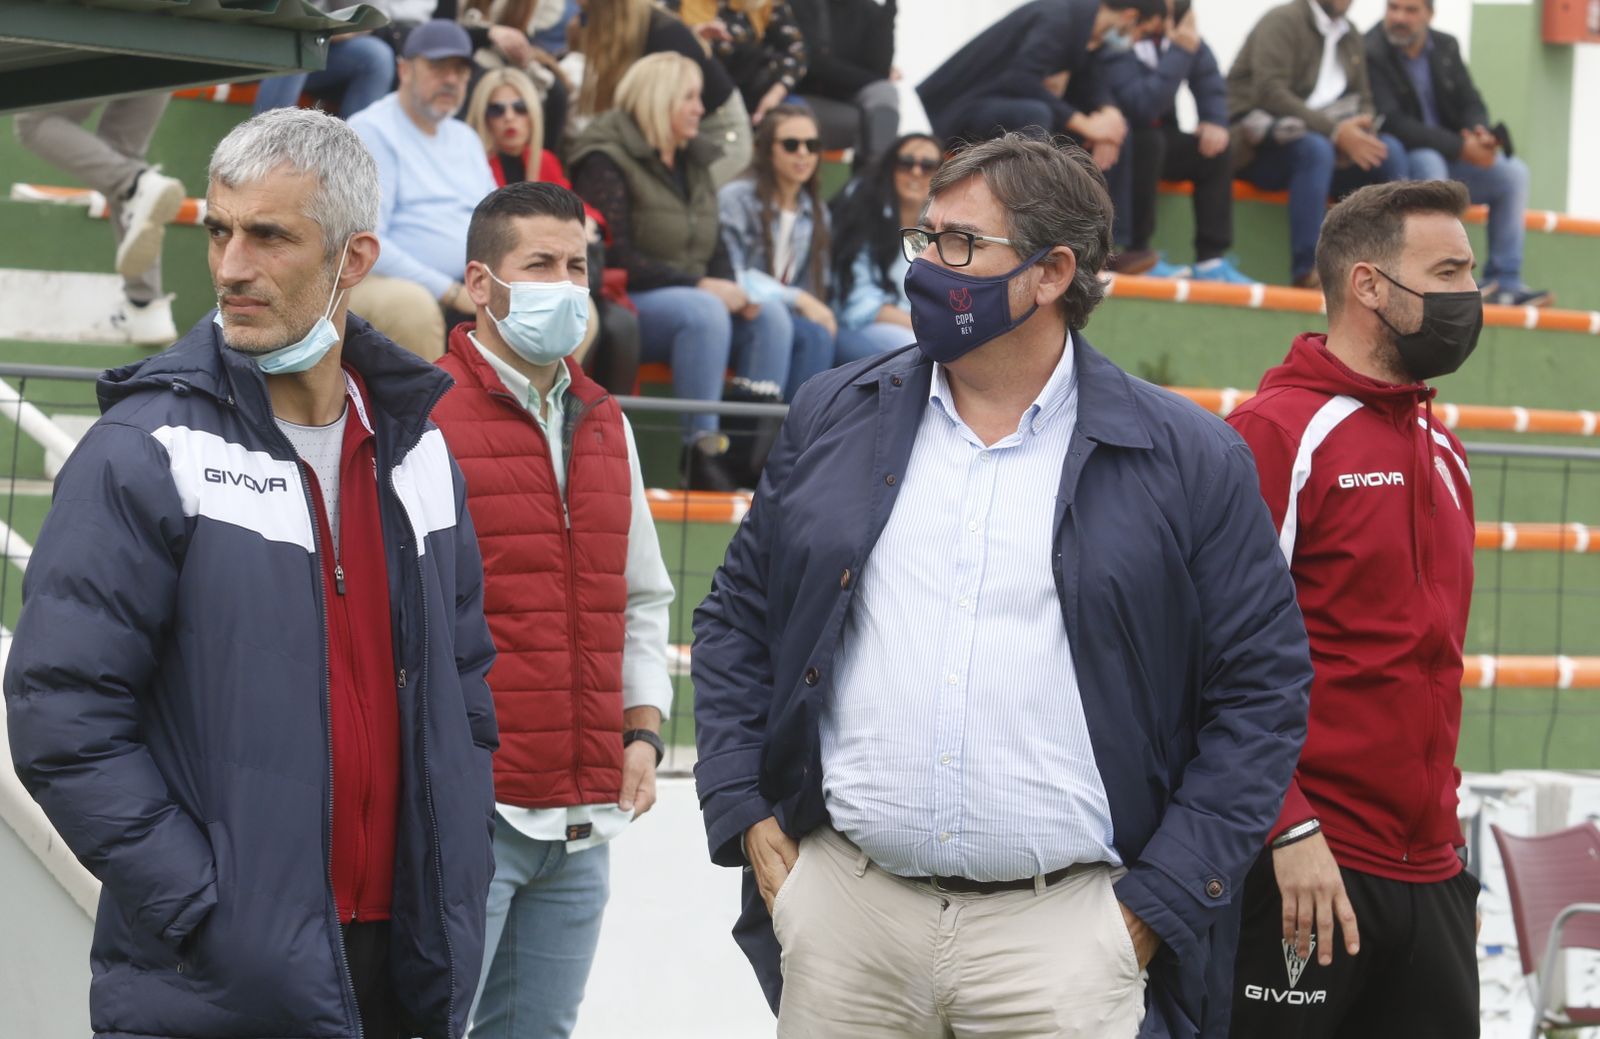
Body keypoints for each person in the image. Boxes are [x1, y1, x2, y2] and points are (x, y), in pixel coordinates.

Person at [692, 132, 1313, 1037]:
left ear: (1052, 271)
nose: (927, 268)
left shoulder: (1191, 458)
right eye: (926, 238)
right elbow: (734, 622)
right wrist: (746, 810)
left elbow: (1263, 691)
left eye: (959, 244)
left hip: (1068, 939)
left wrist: (1152, 911)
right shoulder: (834, 412)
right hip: (848, 922)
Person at [3, 107, 498, 1039]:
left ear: (354, 258)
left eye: (269, 236)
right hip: (218, 977)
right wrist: (202, 906)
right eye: (218, 232)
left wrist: (459, 855)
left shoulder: (418, 451)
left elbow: (467, 680)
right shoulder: (144, 448)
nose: (231, 268)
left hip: (410, 966)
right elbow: (60, 714)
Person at [1225, 179, 1481, 1038]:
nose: (1469, 297)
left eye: (1471, 273)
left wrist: (1453, 868)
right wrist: (1286, 828)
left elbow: (1431, 670)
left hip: (1430, 875)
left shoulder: (1445, 449)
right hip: (1303, 864)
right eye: (1446, 272)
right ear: (1369, 285)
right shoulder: (1275, 434)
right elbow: (1212, 652)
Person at [432, 181, 675, 1039]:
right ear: (480, 283)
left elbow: (643, 594)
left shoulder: (607, 418)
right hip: (468, 820)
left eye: (577, 266)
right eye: (539, 263)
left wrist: (642, 727)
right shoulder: (420, 420)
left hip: (582, 827)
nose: (565, 285)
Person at [570, 52, 793, 491]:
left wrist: (730, 286)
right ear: (660, 98)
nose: (700, 108)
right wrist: (702, 285)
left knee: (772, 318)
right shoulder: (605, 158)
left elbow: (714, 245)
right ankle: (701, 453)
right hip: (630, 299)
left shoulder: (694, 160)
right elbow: (616, 259)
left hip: (693, 294)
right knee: (704, 310)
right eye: (690, 97)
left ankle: (749, 458)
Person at [466, 67, 641, 393]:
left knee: (622, 325)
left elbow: (575, 205)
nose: (510, 118)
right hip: (505, 274)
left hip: (555, 270)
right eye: (497, 109)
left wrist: (587, 223)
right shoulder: (474, 162)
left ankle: (593, 408)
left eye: (520, 108)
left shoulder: (543, 160)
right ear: (483, 116)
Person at [1366, 0, 1549, 307]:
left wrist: (1479, 132)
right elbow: (1394, 122)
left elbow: (1471, 102)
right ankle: (1449, 277)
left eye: (1410, 10)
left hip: (1454, 155)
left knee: (1513, 173)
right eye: (1393, 8)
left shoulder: (1445, 45)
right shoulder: (1371, 49)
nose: (1399, 17)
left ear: (1429, 14)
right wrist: (1462, 147)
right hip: (1408, 160)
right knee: (1430, 162)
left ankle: (1506, 282)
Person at [1227, 0, 1411, 288]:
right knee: (1315, 149)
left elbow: (1363, 97)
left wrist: (1362, 128)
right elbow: (1270, 92)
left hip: (1328, 145)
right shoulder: (1283, 20)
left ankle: (1390, 269)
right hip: (1264, 144)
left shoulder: (1350, 34)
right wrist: (1336, 132)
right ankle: (1308, 271)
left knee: (1389, 151)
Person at [347, 19, 499, 360]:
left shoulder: (465, 137)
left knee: (554, 301)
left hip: (467, 284)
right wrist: (449, 290)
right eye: (438, 67)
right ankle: (433, 416)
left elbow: (497, 221)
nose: (451, 79)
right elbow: (366, 240)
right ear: (404, 70)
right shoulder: (371, 130)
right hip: (381, 282)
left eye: (460, 70)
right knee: (412, 305)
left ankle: (526, 414)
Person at [1100, 0, 1256, 283]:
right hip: (1118, 138)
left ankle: (1211, 261)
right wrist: (1180, 52)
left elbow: (1209, 80)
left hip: (1159, 138)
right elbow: (1140, 107)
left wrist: (1214, 120)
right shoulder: (1119, 35)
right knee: (1149, 141)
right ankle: (1137, 251)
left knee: (1214, 151)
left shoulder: (1181, 40)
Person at [13, 95, 185, 344]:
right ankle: (145, 307)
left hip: (128, 56)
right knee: (119, 156)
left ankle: (135, 184)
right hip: (176, 64)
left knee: (34, 122)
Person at [915, 0, 1161, 158]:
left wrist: (1110, 115)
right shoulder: (1058, 18)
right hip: (960, 107)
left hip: (994, 106)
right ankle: (1031, 212)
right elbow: (1020, 79)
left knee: (1116, 134)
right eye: (1143, 32)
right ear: (1130, 16)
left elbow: (1092, 79)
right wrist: (1085, 124)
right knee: (1036, 114)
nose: (1137, 41)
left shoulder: (1086, 29)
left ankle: (1115, 236)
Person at [718, 104, 837, 400]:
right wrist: (797, 298)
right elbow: (733, 276)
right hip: (739, 315)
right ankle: (750, 442)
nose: (803, 154)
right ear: (767, 150)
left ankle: (797, 440)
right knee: (783, 325)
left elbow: (813, 287)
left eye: (812, 145)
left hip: (783, 319)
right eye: (790, 145)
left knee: (816, 335)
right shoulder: (736, 199)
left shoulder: (816, 210)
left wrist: (805, 303)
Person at [571, 0, 753, 186]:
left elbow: (659, 117)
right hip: (674, 130)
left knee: (672, 201)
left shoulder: (663, 34)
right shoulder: (622, 25)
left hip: (718, 135)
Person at [827, 132, 938, 357]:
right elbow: (857, 305)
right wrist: (924, 327)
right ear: (891, 167)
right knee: (919, 352)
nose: (916, 172)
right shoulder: (863, 214)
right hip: (856, 328)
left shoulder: (937, 228)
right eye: (906, 163)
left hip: (916, 328)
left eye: (927, 166)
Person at [790, 0, 899, 161]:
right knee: (872, 124)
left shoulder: (870, 9)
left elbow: (880, 68)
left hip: (849, 101)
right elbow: (816, 66)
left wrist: (888, 12)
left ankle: (875, 178)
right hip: (802, 98)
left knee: (885, 93)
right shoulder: (802, 4)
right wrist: (872, 78)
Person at [251, 22, 395, 119]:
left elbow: (367, 19)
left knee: (377, 55)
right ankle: (267, 144)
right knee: (298, 44)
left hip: (321, 42)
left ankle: (354, 154)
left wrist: (328, 32)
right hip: (263, 38)